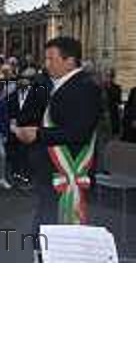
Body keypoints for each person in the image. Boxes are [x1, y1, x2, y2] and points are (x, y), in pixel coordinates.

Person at [14, 37, 102, 237]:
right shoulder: (60, 84)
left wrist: (38, 133)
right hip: (52, 171)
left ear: (69, 61)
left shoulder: (85, 87)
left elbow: (79, 132)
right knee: (46, 226)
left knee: (56, 229)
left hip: (67, 169)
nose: (46, 64)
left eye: (51, 59)